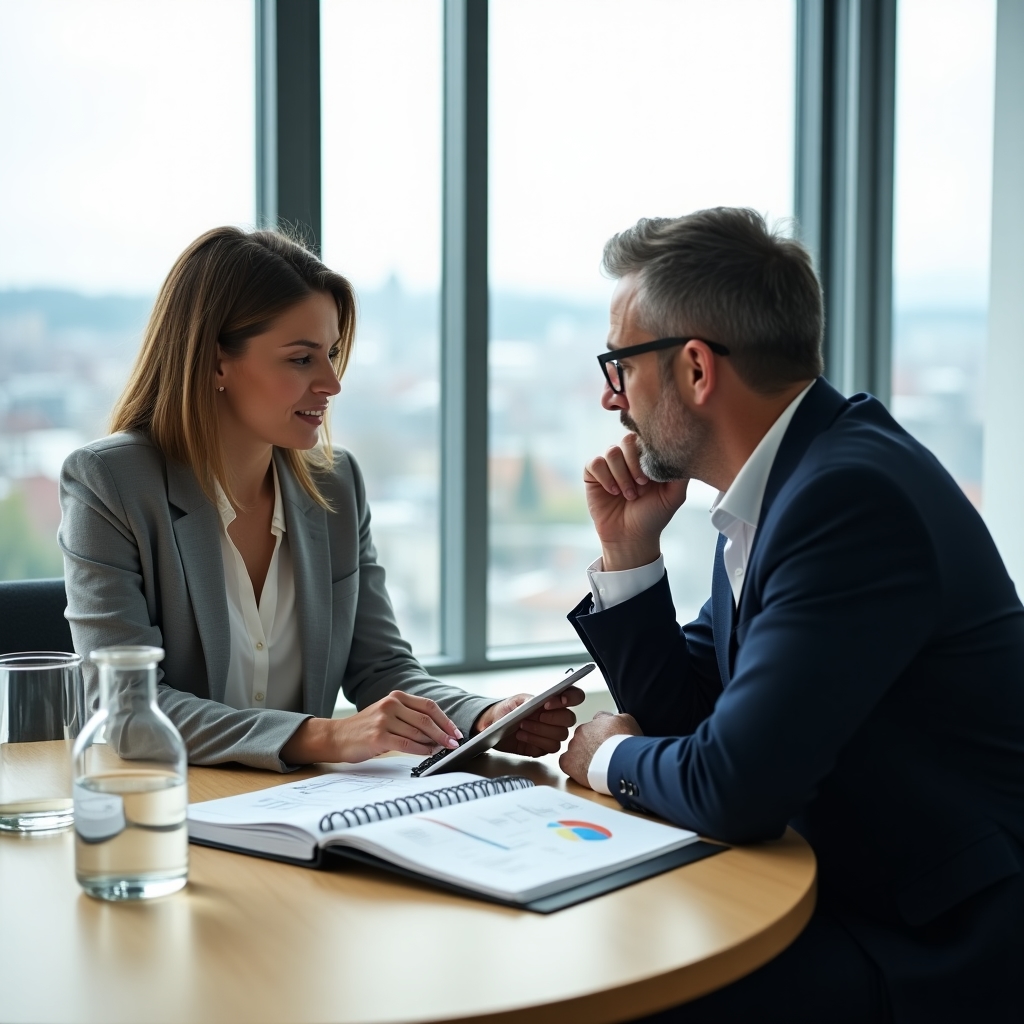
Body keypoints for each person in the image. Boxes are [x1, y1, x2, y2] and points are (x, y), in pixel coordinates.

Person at [558, 208, 1024, 1022]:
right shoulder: (788, 485)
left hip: (934, 942)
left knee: (605, 991)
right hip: (841, 890)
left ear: (696, 369)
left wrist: (607, 756)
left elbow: (733, 787)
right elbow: (696, 720)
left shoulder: (846, 499)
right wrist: (629, 552)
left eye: (620, 365)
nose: (610, 397)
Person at [59, 227, 581, 772]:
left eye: (331, 354)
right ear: (215, 363)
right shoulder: (110, 482)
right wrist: (325, 737)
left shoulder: (336, 483)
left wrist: (482, 718)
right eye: (301, 359)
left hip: (304, 806)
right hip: (175, 803)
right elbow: (127, 708)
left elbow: (380, 667)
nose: (332, 382)